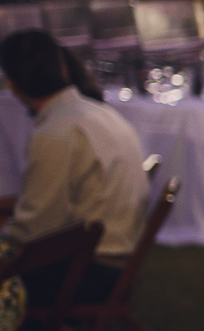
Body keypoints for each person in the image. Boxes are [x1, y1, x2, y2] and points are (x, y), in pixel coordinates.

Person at [0, 30, 150, 307]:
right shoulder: (98, 113)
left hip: (89, 270)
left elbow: (35, 229)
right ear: (64, 68)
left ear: (13, 85)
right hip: (118, 255)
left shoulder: (57, 131)